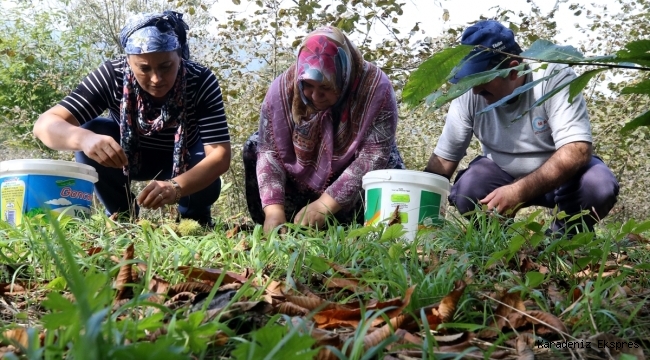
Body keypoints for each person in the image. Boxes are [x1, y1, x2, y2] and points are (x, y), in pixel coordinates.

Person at [33, 11, 231, 227]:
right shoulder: (112, 75)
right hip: (128, 156)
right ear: (128, 61)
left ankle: (195, 220)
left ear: (179, 55)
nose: (156, 79)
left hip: (186, 159)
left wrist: (176, 186)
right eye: (144, 68)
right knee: (93, 129)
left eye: (166, 66)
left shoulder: (200, 80)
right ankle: (123, 218)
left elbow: (219, 155)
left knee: (204, 162)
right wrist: (84, 139)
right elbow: (45, 124)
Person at [424, 20, 619, 236]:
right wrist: (420, 214)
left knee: (598, 185)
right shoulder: (469, 93)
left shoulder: (553, 76)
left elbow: (577, 150)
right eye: (470, 80)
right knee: (468, 188)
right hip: (500, 174)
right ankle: (495, 243)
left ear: (513, 69)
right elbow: (443, 161)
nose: (476, 90)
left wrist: (518, 191)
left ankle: (564, 239)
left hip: (564, 179)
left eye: (483, 79)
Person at [243, 26, 405, 233]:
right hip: (300, 184)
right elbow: (269, 151)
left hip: (350, 188)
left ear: (344, 77)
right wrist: (273, 210)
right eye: (308, 86)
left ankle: (361, 226)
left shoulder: (376, 89)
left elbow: (373, 155)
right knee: (254, 145)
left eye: (326, 88)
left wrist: (325, 204)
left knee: (390, 158)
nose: (315, 96)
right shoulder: (283, 89)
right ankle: (279, 225)